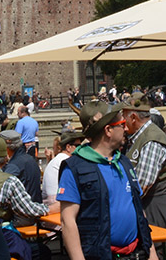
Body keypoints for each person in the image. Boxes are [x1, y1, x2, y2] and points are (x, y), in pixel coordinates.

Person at [58, 99, 156, 260]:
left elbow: (139, 210)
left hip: (136, 254)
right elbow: (67, 221)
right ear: (108, 130)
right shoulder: (74, 167)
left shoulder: (124, 162)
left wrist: (151, 252)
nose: (126, 128)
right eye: (122, 124)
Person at [121, 92, 166, 228]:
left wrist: (118, 205)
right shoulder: (139, 138)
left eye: (124, 116)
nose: (122, 121)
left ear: (133, 117)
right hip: (146, 205)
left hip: (154, 208)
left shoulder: (152, 140)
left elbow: (141, 184)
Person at [43, 129, 84, 209]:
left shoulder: (59, 159)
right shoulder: (66, 161)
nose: (81, 149)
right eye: (78, 146)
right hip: (57, 206)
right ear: (68, 147)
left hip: (55, 204)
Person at [1, 130, 42, 203]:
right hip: (36, 203)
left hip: (24, 206)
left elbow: (3, 188)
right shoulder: (30, 159)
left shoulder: (14, 166)